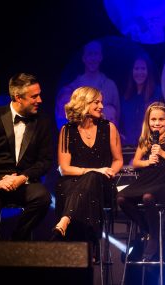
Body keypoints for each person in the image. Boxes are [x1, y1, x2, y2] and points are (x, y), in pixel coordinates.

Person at [0, 73, 53, 278]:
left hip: (23, 182)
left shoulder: (42, 121)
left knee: (42, 197)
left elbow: (45, 161)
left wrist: (23, 177)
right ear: (18, 97)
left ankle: (15, 243)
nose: (40, 100)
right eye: (34, 96)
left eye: (39, 95)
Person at [51, 87, 123, 252]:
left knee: (93, 178)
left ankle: (66, 219)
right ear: (83, 104)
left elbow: (118, 160)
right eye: (96, 102)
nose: (101, 106)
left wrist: (110, 171)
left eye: (101, 102)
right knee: (85, 179)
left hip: (102, 186)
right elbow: (64, 168)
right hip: (72, 183)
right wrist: (92, 171)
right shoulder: (67, 130)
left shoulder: (108, 127)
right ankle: (89, 245)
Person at [117, 101, 165, 261]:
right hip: (149, 178)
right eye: (153, 119)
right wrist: (147, 161)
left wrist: (163, 153)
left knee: (148, 197)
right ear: (148, 121)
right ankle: (153, 232)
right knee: (121, 198)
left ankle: (154, 239)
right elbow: (135, 163)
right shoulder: (146, 139)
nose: (157, 123)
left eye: (161, 120)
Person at [56, 40, 120, 128]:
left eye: (96, 54)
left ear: (101, 57)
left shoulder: (110, 85)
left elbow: (117, 118)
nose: (93, 58)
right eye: (90, 54)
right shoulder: (73, 88)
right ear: (83, 58)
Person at [120, 53, 163, 146]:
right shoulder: (126, 97)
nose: (139, 72)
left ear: (148, 71)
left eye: (143, 68)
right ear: (132, 71)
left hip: (150, 147)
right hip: (130, 148)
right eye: (136, 68)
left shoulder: (157, 93)